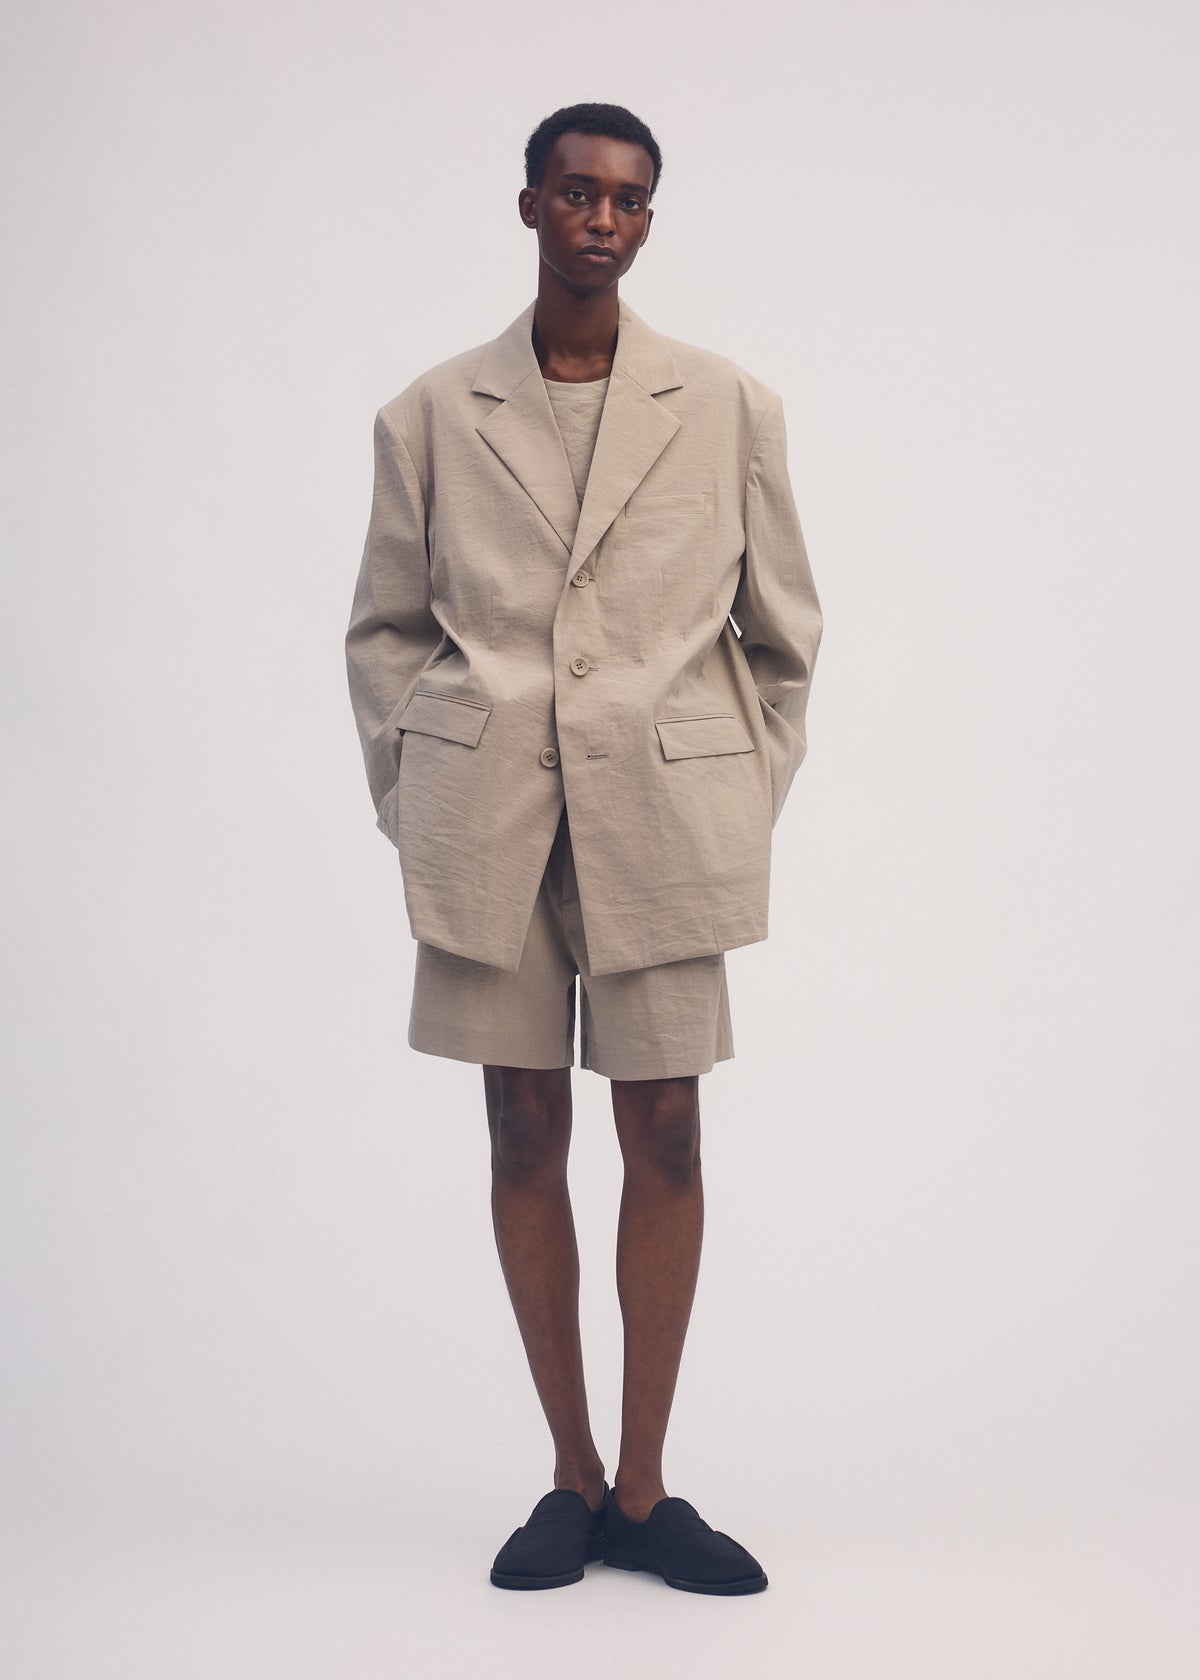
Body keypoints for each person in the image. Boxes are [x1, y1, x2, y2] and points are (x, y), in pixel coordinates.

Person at [345, 101, 823, 1595]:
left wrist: (734, 788)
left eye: (626, 198)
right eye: (574, 192)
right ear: (530, 206)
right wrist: (417, 790)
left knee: (666, 1129)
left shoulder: (727, 404)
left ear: (648, 220)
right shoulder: (433, 412)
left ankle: (646, 1487)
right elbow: (384, 629)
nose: (600, 218)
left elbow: (783, 636)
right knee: (520, 1129)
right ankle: (569, 1474)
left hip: (666, 824)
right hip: (487, 819)